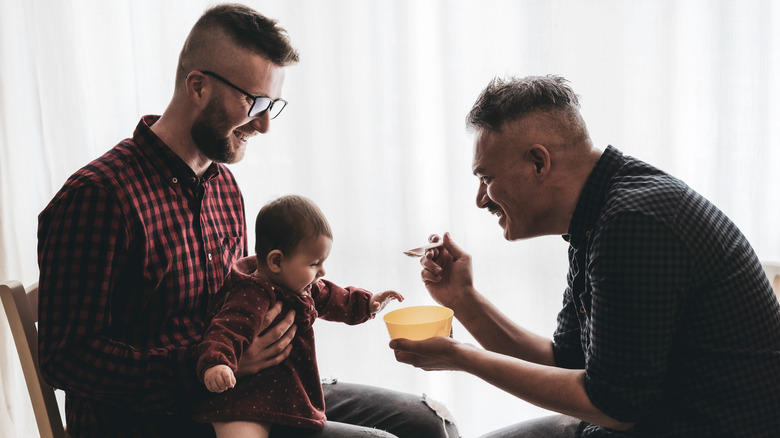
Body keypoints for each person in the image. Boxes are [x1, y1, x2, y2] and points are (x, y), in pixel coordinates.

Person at [37, 4, 459, 437]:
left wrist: (342, 303)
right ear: (197, 86)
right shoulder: (98, 196)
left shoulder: (223, 187)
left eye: (271, 105)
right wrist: (210, 364)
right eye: (253, 101)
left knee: (425, 422)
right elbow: (65, 360)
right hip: (156, 418)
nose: (263, 125)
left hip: (251, 387)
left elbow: (248, 292)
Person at [389, 75, 780, 437]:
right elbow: (566, 361)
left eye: (486, 178)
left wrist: (463, 358)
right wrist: (463, 301)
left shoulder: (633, 223)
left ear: (539, 162)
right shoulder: (598, 214)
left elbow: (614, 406)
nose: (480, 200)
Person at [193, 194, 403, 437]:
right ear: (276, 261)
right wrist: (217, 364)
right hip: (243, 400)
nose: (322, 271)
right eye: (314, 263)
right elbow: (224, 330)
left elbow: (335, 298)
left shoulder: (304, 287)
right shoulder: (250, 295)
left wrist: (368, 304)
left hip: (287, 394)